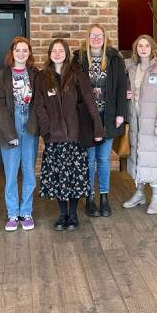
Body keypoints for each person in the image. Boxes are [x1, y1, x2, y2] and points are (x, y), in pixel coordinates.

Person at [34, 38, 104, 231]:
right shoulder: (42, 77)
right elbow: (39, 107)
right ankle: (62, 214)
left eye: (61, 50)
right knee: (58, 179)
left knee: (75, 178)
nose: (57, 53)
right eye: (54, 50)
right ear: (49, 54)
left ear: (66, 53)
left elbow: (90, 101)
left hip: (75, 137)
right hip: (54, 138)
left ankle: (73, 215)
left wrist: (97, 127)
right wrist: (46, 132)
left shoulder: (76, 74)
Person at [73, 24, 128, 218]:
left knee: (103, 159)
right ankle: (89, 198)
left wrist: (121, 113)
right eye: (93, 35)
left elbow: (123, 86)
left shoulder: (115, 58)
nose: (96, 38)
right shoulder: (78, 58)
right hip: (87, 118)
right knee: (88, 160)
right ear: (87, 37)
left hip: (108, 116)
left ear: (105, 38)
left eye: (100, 35)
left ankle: (104, 197)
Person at [0, 36, 39, 232]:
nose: (21, 54)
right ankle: (12, 213)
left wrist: (35, 126)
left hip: (29, 126)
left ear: (29, 54)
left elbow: (39, 103)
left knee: (29, 172)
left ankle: (26, 212)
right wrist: (9, 132)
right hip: (9, 126)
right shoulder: (1, 76)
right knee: (11, 174)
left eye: (25, 50)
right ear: (12, 52)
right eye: (17, 50)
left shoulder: (36, 75)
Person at [122, 35, 157, 215]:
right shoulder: (132, 68)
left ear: (153, 48)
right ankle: (140, 193)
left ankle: (156, 197)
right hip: (137, 121)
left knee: (155, 160)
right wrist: (128, 95)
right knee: (139, 157)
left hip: (154, 124)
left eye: (146, 46)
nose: (143, 49)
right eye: (139, 46)